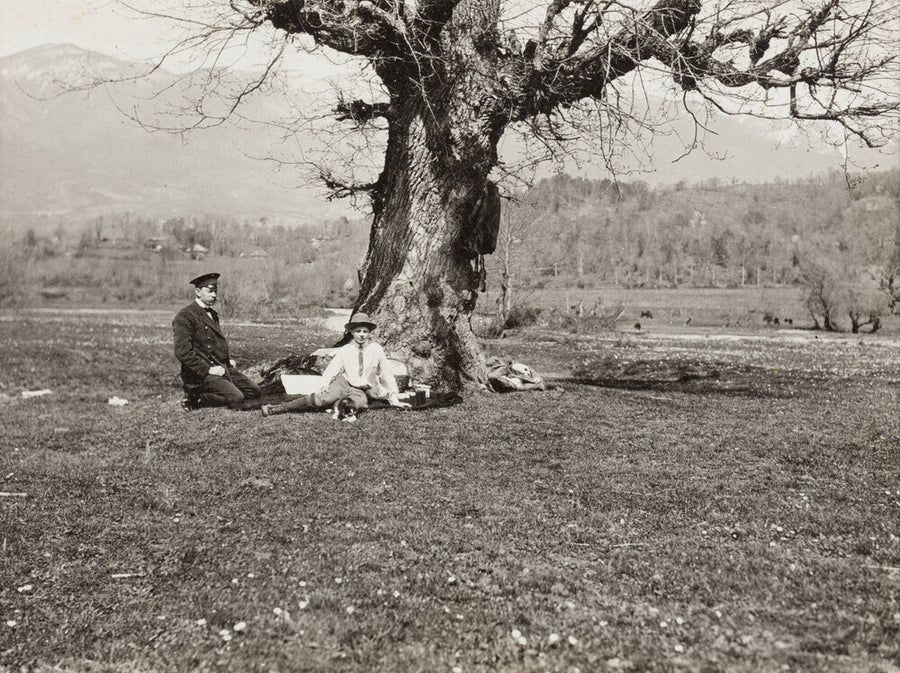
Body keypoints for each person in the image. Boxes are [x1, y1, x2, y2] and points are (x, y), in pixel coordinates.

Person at [261, 312, 410, 417]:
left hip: (362, 388)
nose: (362, 335)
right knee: (322, 399)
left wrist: (394, 398)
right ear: (351, 332)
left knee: (356, 403)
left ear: (370, 332)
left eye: (365, 331)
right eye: (358, 331)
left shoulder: (376, 350)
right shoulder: (346, 350)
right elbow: (332, 370)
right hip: (343, 382)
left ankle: (340, 406)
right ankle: (277, 409)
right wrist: (325, 384)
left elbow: (386, 375)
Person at [173, 272, 261, 410]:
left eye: (215, 291)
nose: (214, 295)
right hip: (200, 374)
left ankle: (216, 389)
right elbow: (183, 352)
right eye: (209, 291)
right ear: (197, 291)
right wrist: (208, 369)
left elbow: (214, 344)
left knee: (254, 391)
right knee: (237, 397)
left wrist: (227, 361)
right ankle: (195, 396)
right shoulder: (185, 316)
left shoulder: (213, 314)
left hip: (220, 366)